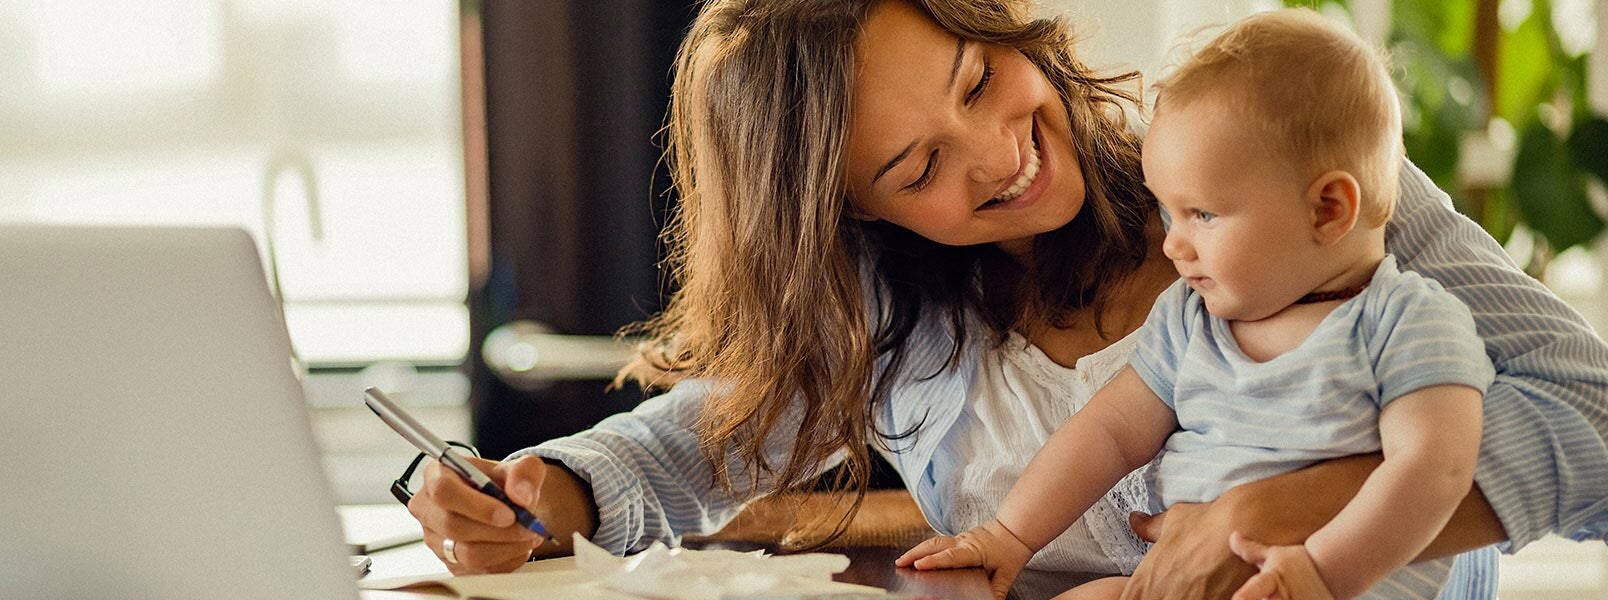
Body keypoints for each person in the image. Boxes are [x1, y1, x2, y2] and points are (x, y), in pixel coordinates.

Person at [404, 1, 1608, 598]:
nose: (998, 154)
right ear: (854, 216)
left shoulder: (1278, 181)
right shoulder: (893, 306)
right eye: (917, 167)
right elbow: (704, 435)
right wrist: (543, 489)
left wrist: (1300, 508)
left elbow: (1595, 429)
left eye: (981, 80)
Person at [896, 10, 1491, 599]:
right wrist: (1008, 536)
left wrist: (1323, 571)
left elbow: (1434, 473)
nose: (1174, 244)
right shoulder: (1192, 320)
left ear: (1328, 209)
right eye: (1167, 212)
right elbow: (1106, 434)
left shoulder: (1407, 323)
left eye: (1202, 215)